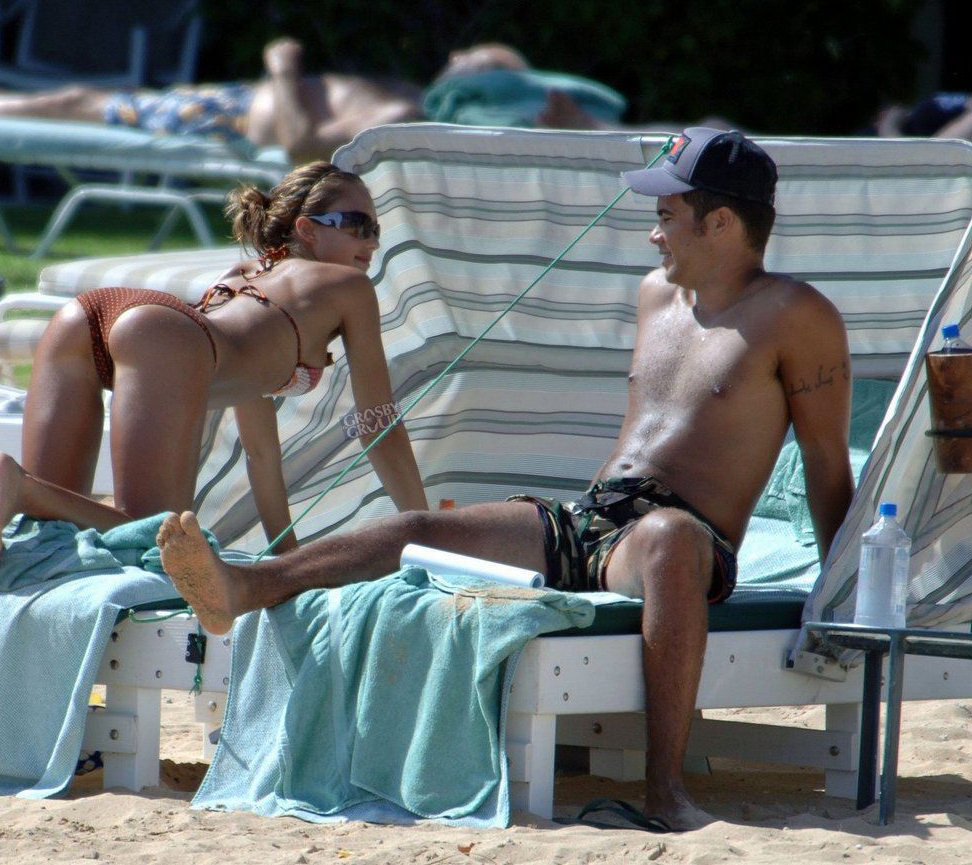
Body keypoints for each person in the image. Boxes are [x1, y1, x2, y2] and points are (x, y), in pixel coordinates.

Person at [155, 127, 856, 830]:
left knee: (669, 537)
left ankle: (665, 791)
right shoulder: (656, 296)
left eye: (666, 216)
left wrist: (841, 593)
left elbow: (826, 461)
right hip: (592, 519)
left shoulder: (797, 316)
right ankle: (245, 586)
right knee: (417, 530)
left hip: (681, 538)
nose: (653, 235)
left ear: (721, 222)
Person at [0, 160, 429, 585]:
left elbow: (259, 452)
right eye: (358, 225)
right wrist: (421, 529)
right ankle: (14, 482)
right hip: (161, 337)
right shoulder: (347, 287)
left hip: (89, 317)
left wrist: (285, 558)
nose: (372, 242)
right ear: (307, 228)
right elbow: (377, 422)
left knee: (47, 532)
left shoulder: (242, 279)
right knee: (152, 537)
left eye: (377, 230)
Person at [0, 34, 615, 162]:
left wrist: (283, 69)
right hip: (231, 101)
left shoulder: (400, 114)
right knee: (80, 96)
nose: (452, 57)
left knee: (75, 99)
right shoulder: (408, 95)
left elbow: (297, 145)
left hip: (230, 118)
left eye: (469, 61)